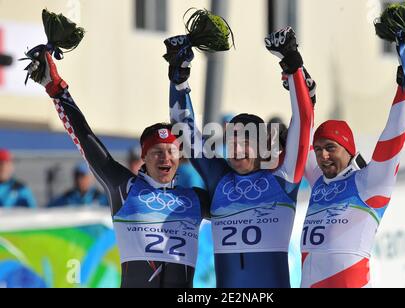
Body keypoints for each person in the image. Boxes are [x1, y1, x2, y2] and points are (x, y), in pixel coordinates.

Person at [25, 46, 210, 288]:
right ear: (143, 156)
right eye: (156, 152)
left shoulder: (194, 199)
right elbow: (86, 140)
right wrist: (57, 89)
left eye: (171, 151)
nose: (165, 158)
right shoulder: (125, 188)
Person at [166, 27, 315, 287]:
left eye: (244, 143)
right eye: (231, 142)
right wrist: (179, 79)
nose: (235, 150)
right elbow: (185, 132)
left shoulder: (283, 178)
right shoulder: (220, 178)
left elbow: (303, 121)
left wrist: (292, 61)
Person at [300, 30, 405, 288]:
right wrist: (301, 90)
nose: (323, 156)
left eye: (330, 148)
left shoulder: (369, 182)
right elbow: (300, 139)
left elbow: (394, 137)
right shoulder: (320, 182)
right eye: (318, 149)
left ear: (348, 149)